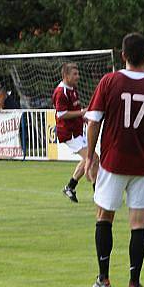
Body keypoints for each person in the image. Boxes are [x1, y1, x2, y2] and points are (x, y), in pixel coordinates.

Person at [83, 33, 144, 287]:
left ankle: (104, 279)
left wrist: (90, 157)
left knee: (104, 217)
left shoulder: (109, 81)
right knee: (139, 222)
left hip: (113, 161)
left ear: (123, 56)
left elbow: (93, 121)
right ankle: (134, 283)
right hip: (143, 164)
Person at [54, 62, 99, 203]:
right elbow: (61, 114)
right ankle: (98, 193)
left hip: (77, 131)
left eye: (77, 73)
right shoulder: (61, 92)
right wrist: (81, 112)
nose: (78, 76)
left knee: (89, 159)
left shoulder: (72, 89)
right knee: (93, 158)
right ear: (65, 76)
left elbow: (74, 111)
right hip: (69, 133)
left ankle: (70, 187)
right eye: (74, 74)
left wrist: (83, 117)